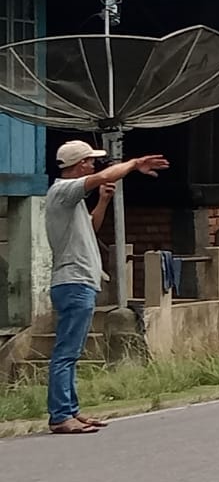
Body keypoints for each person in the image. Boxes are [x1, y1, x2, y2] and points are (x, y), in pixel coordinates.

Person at [44, 140, 169, 435]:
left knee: (71, 352)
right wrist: (134, 164)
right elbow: (104, 176)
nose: (94, 165)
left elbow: (92, 225)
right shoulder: (62, 190)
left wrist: (102, 202)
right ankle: (61, 415)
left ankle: (70, 411)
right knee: (66, 353)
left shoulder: (70, 203)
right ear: (79, 164)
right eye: (89, 161)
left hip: (79, 282)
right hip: (73, 282)